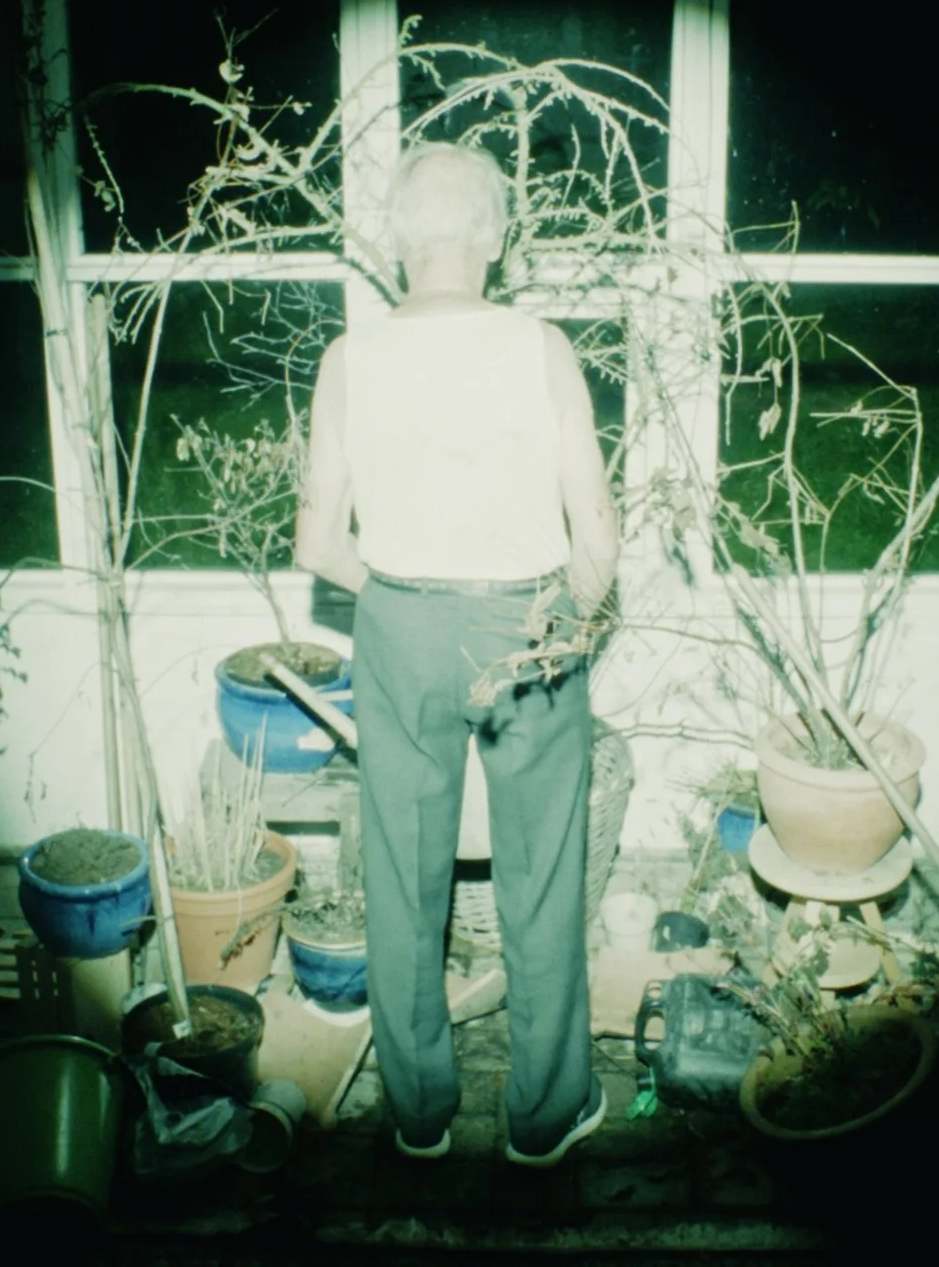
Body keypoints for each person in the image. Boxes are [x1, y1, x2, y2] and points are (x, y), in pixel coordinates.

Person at [294, 141, 620, 1167]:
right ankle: (543, 1111)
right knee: (541, 867)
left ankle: (421, 1109)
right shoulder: (540, 347)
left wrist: (397, 590)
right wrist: (567, 610)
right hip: (525, 625)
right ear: (492, 235)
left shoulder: (351, 358)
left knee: (400, 864)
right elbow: (597, 536)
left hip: (397, 621)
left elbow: (314, 542)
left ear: (399, 239)